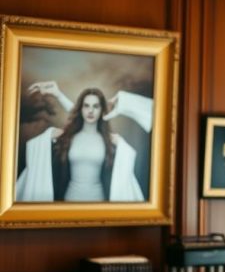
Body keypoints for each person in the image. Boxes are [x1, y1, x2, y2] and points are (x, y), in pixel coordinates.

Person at [15, 81, 151, 202]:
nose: (90, 111)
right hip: (70, 200)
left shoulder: (109, 139)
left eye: (96, 106)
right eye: (86, 106)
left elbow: (158, 117)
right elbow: (77, 114)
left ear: (101, 109)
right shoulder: (68, 136)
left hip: (98, 203)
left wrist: (126, 102)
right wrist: (58, 94)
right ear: (81, 109)